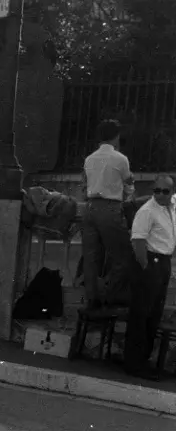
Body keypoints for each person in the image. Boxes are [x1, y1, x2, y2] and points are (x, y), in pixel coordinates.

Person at [123, 174, 175, 380]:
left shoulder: (172, 205)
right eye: (157, 190)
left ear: (171, 192)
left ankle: (143, 360)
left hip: (163, 262)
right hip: (149, 261)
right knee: (141, 314)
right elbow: (138, 242)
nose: (160, 195)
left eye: (165, 191)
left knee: (154, 313)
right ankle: (134, 364)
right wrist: (146, 268)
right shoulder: (147, 211)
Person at [80, 119, 136, 310]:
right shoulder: (120, 159)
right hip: (110, 208)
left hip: (89, 208)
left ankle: (92, 300)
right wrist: (128, 194)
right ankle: (111, 297)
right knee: (122, 255)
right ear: (116, 137)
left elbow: (85, 184)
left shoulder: (89, 159)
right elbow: (129, 185)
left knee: (91, 257)